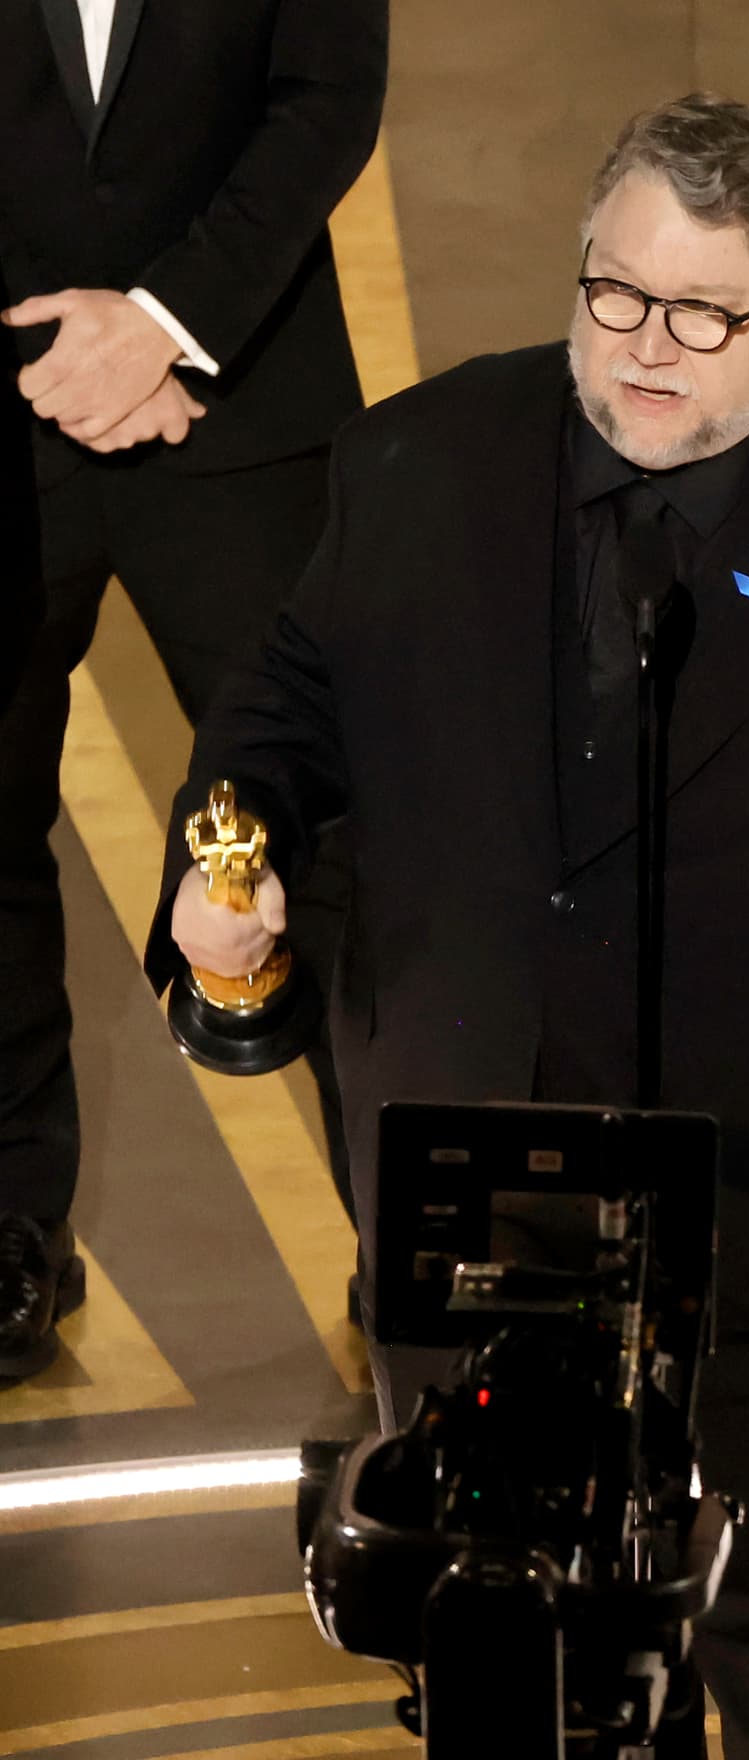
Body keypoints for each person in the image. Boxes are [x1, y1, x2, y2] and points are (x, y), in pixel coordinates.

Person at [149, 94, 749, 1758]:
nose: (645, 350)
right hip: (477, 1271)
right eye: (617, 292)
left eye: (705, 314)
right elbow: (279, 721)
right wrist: (218, 882)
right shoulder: (414, 463)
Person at [0, 0, 388, 1382]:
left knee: (334, 836)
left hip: (244, 397)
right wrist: (69, 353)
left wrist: (166, 324)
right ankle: (8, 1232)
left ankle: (402, 1241)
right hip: (10, 375)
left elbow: (329, 93)